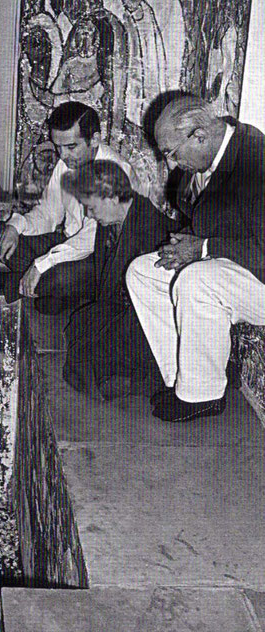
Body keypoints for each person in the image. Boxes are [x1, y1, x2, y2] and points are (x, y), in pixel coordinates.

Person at [126, 94, 265, 422]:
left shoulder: (257, 160)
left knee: (197, 280)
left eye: (172, 154)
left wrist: (202, 250)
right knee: (145, 271)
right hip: (245, 265)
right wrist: (186, 246)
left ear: (199, 135)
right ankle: (184, 379)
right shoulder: (210, 156)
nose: (171, 164)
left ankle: (203, 395)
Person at [0, 101, 141, 309]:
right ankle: (54, 294)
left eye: (71, 147)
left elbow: (92, 239)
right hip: (67, 243)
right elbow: (48, 213)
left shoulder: (117, 171)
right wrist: (15, 226)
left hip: (103, 257)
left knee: (59, 277)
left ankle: (11, 284)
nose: (63, 155)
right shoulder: (66, 163)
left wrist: (42, 264)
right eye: (58, 147)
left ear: (94, 139)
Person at [60, 160, 179, 400]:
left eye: (91, 208)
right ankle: (108, 374)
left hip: (153, 315)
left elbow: (159, 304)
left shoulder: (151, 229)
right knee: (81, 321)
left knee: (104, 337)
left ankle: (134, 378)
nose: (88, 215)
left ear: (113, 197)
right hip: (123, 305)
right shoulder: (112, 220)